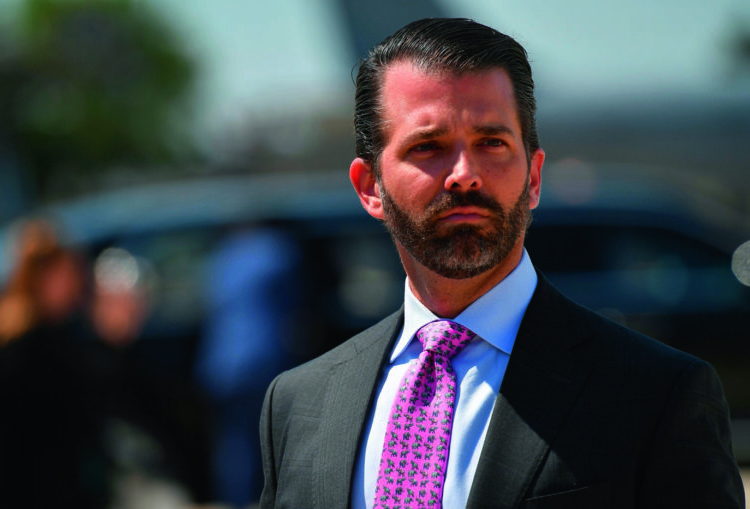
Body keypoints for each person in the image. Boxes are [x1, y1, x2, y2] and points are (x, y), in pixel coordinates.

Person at [258, 18, 745, 509]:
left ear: (534, 177)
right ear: (370, 188)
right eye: (428, 146)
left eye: (492, 142)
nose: (465, 175)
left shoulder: (656, 395)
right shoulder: (299, 404)